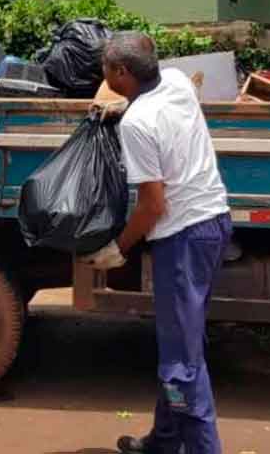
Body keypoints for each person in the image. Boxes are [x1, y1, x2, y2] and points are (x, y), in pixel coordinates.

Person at [81, 32, 232, 454]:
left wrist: (118, 248)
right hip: (213, 224)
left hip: (182, 240)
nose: (103, 74)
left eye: (107, 68)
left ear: (122, 73)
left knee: (181, 368)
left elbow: (152, 205)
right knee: (184, 344)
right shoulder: (179, 83)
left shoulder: (138, 124)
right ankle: (164, 442)